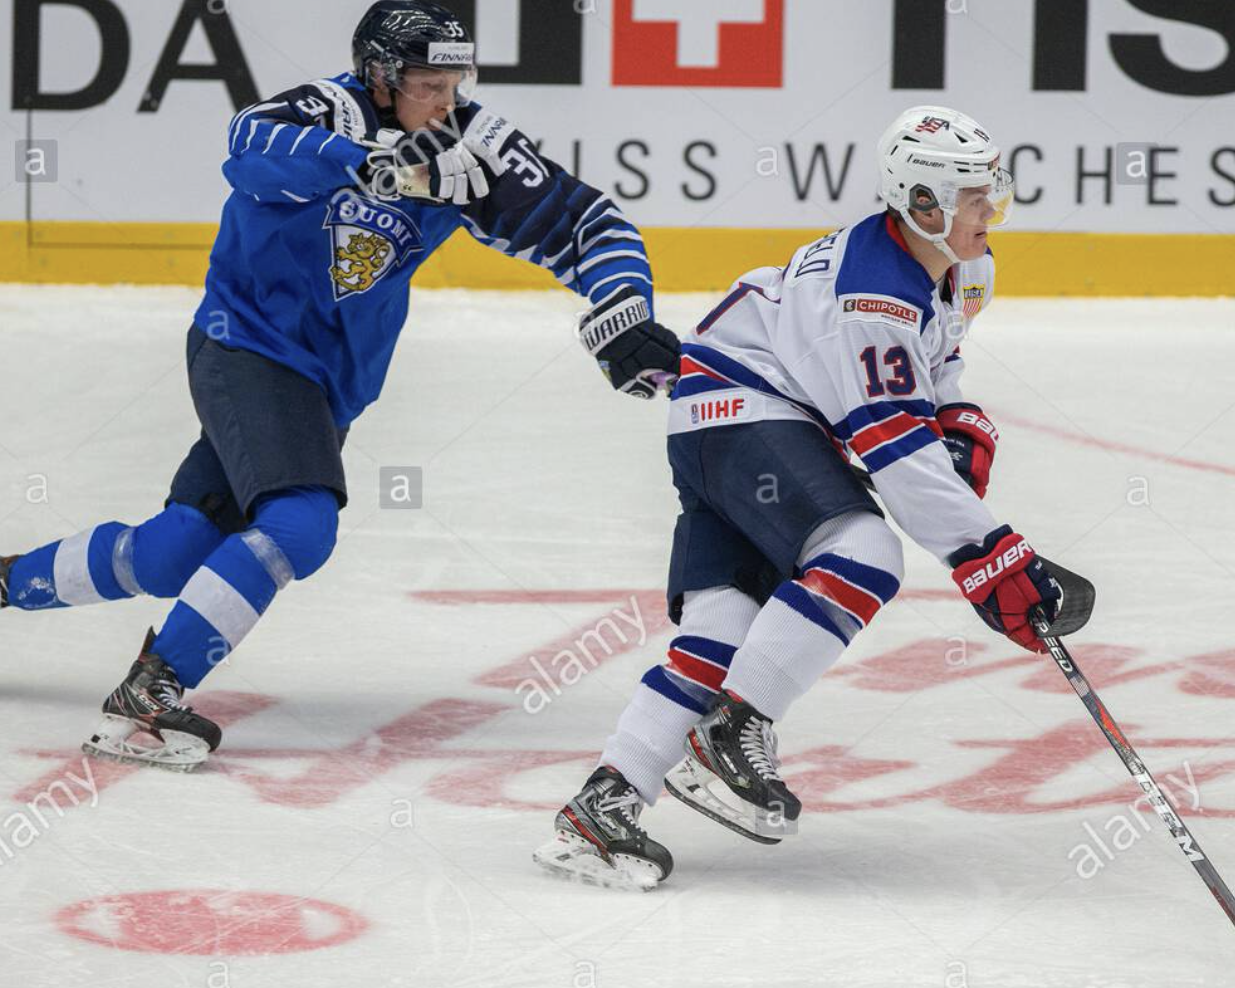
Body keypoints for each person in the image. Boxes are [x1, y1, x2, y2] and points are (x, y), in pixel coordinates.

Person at [0, 0, 678, 771]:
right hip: (244, 347)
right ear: (381, 78)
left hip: (326, 390)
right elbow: (247, 146)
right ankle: (153, 692)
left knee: (173, 550)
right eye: (429, 83)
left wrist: (625, 307)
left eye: (456, 82)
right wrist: (364, 161)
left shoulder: (464, 144)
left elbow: (593, 225)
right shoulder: (322, 110)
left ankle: (6, 581)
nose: (446, 101)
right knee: (299, 526)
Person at [533, 106, 1066, 891]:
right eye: (976, 197)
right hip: (749, 413)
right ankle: (735, 731)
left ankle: (601, 811)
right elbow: (892, 449)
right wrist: (989, 558)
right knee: (865, 552)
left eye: (994, 191)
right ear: (924, 204)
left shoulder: (961, 268)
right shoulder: (871, 297)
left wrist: (958, 422)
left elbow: (933, 372)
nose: (994, 211)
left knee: (725, 631)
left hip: (724, 423)